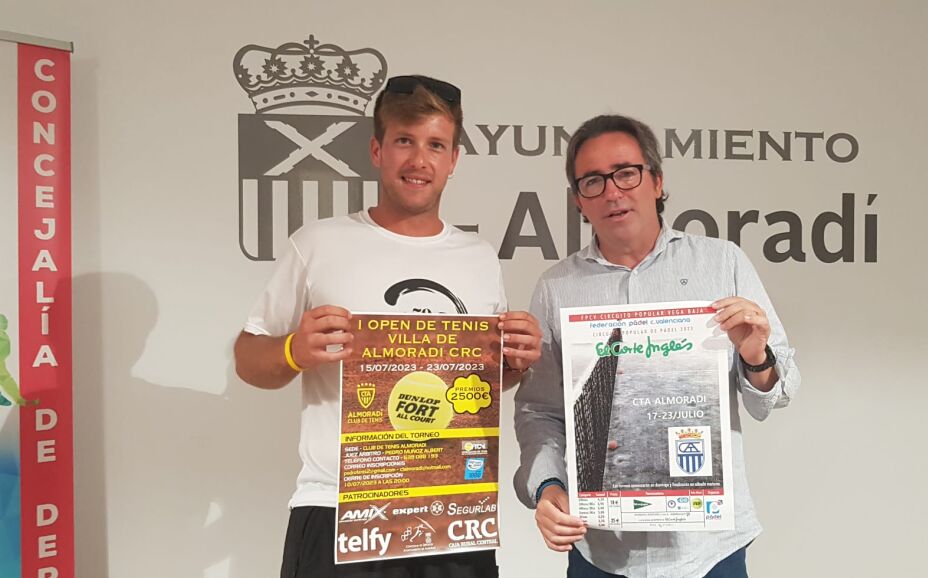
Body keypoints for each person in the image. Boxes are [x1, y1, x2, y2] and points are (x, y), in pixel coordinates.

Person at [234, 75, 542, 578]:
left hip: (452, 510)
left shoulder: (480, 257)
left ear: (453, 160)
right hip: (339, 507)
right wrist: (294, 350)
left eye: (435, 145)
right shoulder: (317, 243)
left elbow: (478, 385)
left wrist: (514, 364)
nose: (419, 160)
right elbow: (248, 359)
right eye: (404, 141)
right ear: (377, 150)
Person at [513, 114, 800, 578]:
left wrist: (755, 357)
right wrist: (548, 486)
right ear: (578, 200)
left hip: (709, 552)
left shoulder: (722, 263)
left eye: (626, 173)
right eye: (592, 181)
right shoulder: (556, 288)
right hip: (600, 550)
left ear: (657, 181)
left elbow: (773, 396)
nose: (612, 192)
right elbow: (540, 411)